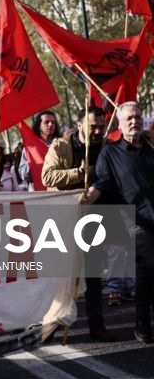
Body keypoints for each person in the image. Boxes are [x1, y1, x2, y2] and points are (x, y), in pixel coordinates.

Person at [41, 107, 115, 342]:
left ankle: (97, 325)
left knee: (93, 274)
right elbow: (48, 177)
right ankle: (50, 324)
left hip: (93, 219)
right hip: (64, 219)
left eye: (101, 127)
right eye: (93, 126)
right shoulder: (61, 146)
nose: (97, 131)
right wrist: (79, 173)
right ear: (80, 123)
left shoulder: (105, 148)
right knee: (62, 275)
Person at [84, 101, 154, 344]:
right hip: (131, 220)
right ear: (120, 124)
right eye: (129, 118)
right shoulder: (110, 153)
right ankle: (142, 323)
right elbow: (103, 182)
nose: (134, 121)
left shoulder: (151, 147)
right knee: (149, 263)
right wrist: (90, 194)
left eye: (137, 117)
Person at [19, 110, 61, 191]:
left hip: (59, 191)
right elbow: (23, 175)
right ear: (39, 126)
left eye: (53, 122)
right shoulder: (30, 148)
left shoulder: (62, 144)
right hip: (39, 194)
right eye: (46, 122)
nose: (51, 124)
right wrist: (33, 161)